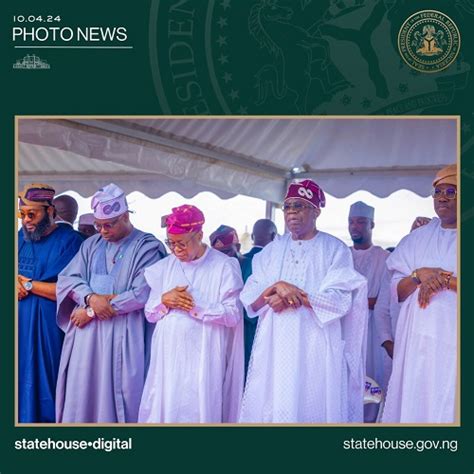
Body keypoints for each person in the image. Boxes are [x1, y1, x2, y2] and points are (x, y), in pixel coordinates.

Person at [239, 179, 368, 423]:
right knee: (273, 403)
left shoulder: (334, 249)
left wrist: (292, 295)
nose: (291, 213)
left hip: (315, 344)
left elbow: (340, 301)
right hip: (274, 344)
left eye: (299, 206)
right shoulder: (270, 251)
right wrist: (276, 287)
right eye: (287, 207)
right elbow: (251, 303)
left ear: (316, 211)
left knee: (313, 403)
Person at [55, 183, 166, 423]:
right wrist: (90, 298)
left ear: (125, 216)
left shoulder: (147, 246)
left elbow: (143, 293)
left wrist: (93, 311)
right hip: (86, 338)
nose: (103, 231)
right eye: (98, 225)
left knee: (122, 396)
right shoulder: (91, 245)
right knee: (82, 392)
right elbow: (68, 279)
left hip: (124, 334)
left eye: (109, 224)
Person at [138, 205, 244, 423]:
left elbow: (233, 315)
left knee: (198, 408)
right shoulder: (164, 267)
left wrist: (194, 306)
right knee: (165, 406)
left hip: (204, 356)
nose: (176, 250)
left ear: (199, 236)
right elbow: (150, 313)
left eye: (181, 243)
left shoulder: (224, 266)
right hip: (167, 358)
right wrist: (164, 300)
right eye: (171, 243)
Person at [381, 164, 457, 423]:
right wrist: (418, 275)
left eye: (451, 191)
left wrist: (444, 279)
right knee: (417, 400)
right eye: (437, 192)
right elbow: (397, 293)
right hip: (418, 341)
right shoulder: (416, 239)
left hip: (455, 339)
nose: (442, 197)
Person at [17, 183, 84, 423]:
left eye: (32, 214)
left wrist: (28, 285)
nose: (26, 220)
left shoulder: (72, 242)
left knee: (47, 390)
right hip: (18, 329)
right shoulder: (19, 238)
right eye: (22, 214)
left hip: (49, 331)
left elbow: (71, 291)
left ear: (51, 211)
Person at [348, 201, 389, 422]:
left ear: (372, 224)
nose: (355, 227)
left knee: (373, 377)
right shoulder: (342, 255)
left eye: (361, 222)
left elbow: (383, 300)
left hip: (373, 329)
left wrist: (352, 302)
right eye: (351, 222)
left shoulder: (384, 257)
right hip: (346, 328)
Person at [240, 219, 277, 376]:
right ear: (274, 235)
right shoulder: (271, 262)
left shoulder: (238, 260)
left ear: (253, 236)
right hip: (258, 322)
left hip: (237, 323)